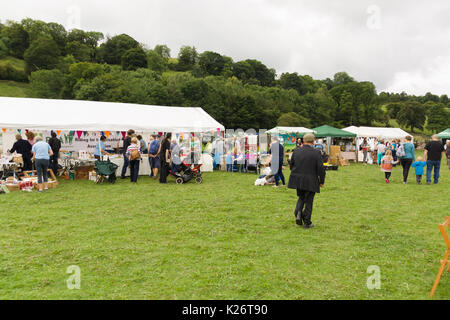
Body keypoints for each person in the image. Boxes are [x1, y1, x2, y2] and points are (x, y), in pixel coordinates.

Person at [288, 133, 325, 229]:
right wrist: (322, 181)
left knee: (301, 197)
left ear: (303, 141)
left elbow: (291, 165)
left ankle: (298, 213)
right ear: (313, 141)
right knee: (309, 201)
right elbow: (321, 168)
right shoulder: (316, 152)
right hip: (311, 179)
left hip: (298, 179)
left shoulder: (296, 151)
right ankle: (307, 222)